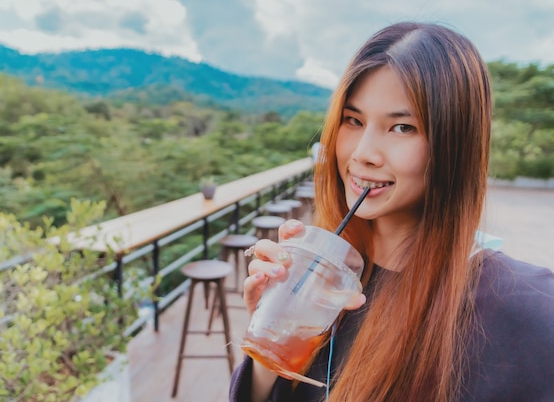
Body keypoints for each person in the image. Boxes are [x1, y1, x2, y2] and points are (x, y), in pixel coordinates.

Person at [229, 21, 554, 402]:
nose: (363, 152)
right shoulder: (323, 284)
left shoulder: (530, 311)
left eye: (402, 127)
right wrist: (274, 344)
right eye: (353, 120)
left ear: (454, 146)